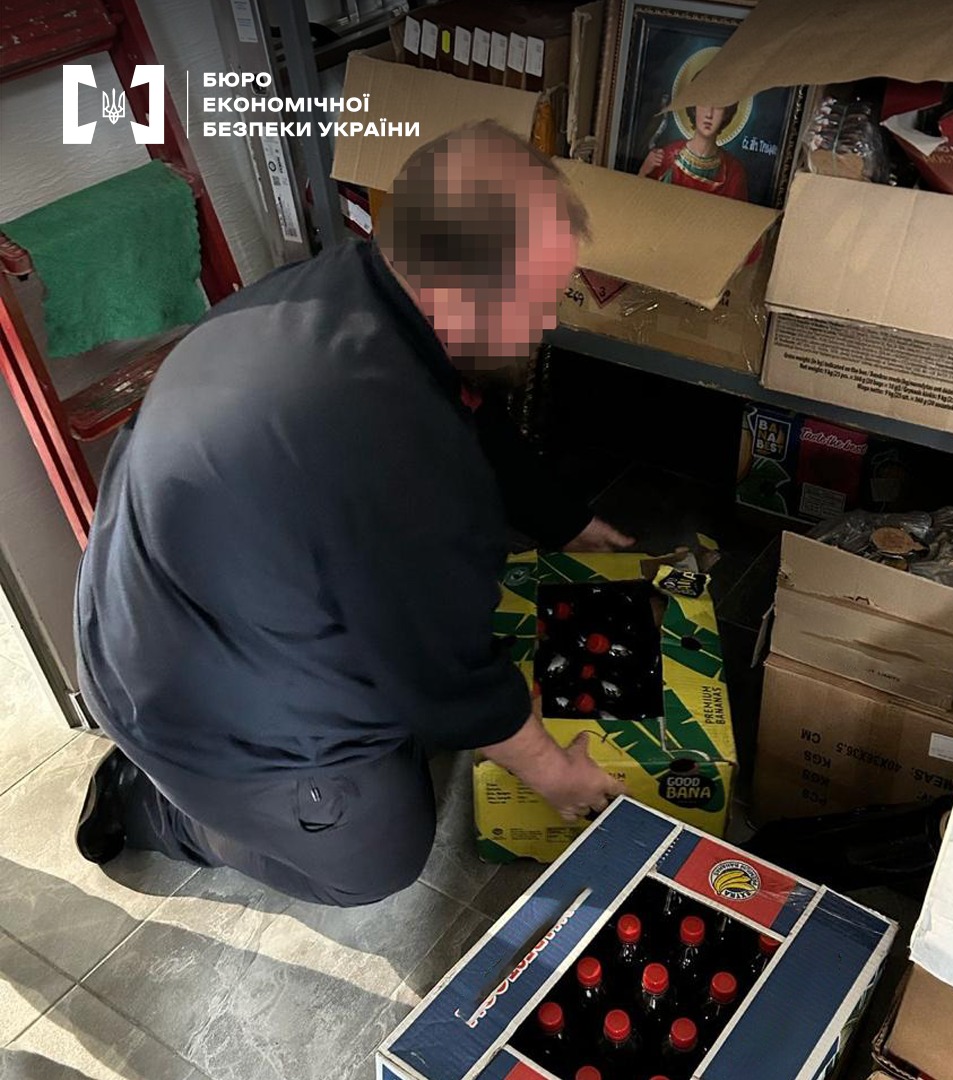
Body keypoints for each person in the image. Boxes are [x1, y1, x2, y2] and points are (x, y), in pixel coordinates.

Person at [73, 121, 631, 907]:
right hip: (174, 691)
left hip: (168, 598)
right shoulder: (394, 447)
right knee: (378, 854)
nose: (547, 324)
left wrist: (565, 522)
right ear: (457, 292)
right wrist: (554, 771)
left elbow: (470, 403)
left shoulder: (358, 286)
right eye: (537, 300)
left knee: (410, 702)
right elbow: (447, 673)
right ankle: (164, 808)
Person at [638, 104, 749, 200]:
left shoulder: (733, 172)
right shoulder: (665, 157)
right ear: (694, 108)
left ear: (726, 113)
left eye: (718, 107)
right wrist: (644, 171)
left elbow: (737, 215)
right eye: (704, 104)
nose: (709, 114)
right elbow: (641, 201)